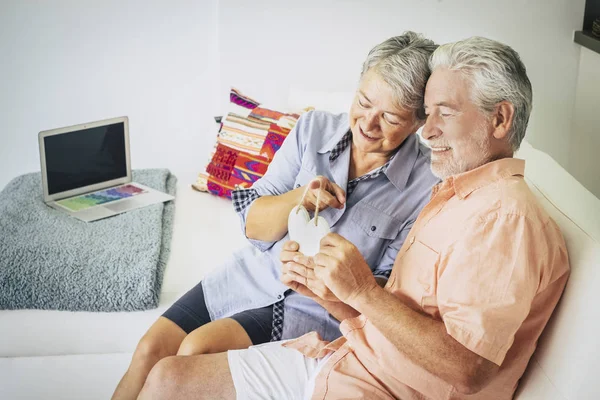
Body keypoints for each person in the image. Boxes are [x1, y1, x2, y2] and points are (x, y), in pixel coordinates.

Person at [135, 36, 570, 400]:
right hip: (345, 345)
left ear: (500, 118)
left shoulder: (499, 215)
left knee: (182, 367)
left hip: (358, 368)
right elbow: (253, 220)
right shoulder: (454, 194)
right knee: (158, 363)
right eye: (363, 102)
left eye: (443, 114)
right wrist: (321, 276)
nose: (430, 131)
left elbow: (467, 367)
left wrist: (356, 290)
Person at [112, 32, 440, 400]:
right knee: (148, 350)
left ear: (418, 122)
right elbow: (254, 226)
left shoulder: (426, 186)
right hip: (251, 275)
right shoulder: (313, 129)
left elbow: (382, 298)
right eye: (363, 102)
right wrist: (299, 198)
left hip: (311, 308)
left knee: (194, 350)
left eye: (391, 118)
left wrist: (326, 277)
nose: (368, 123)